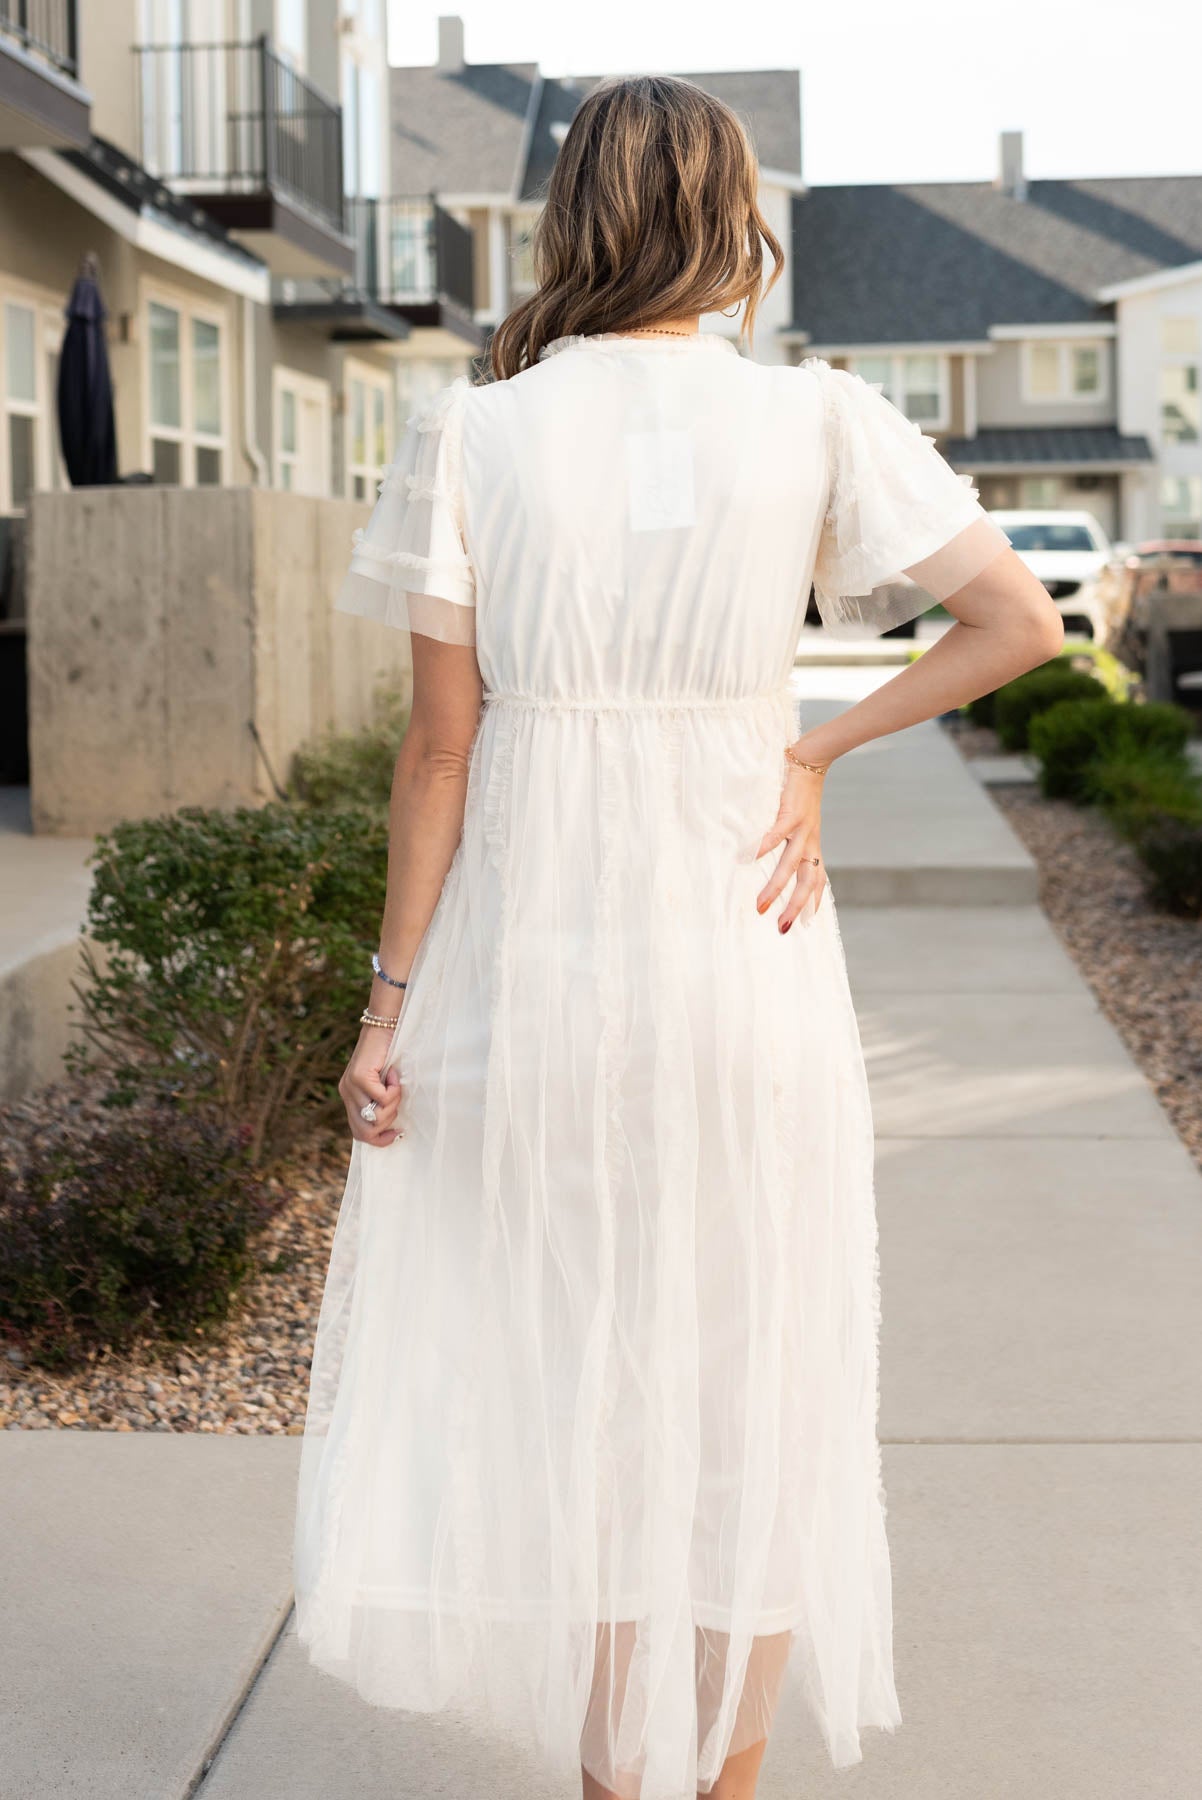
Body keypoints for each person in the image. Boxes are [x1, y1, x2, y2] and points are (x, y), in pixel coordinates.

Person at [293, 74, 1063, 1800]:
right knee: (755, 1381)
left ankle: (612, 1780)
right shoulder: (815, 421)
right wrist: (809, 748)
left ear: (574, 214)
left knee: (590, 1385)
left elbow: (439, 751)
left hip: (539, 969)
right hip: (742, 954)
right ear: (730, 218)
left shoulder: (470, 433)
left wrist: (386, 1004)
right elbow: (1013, 621)